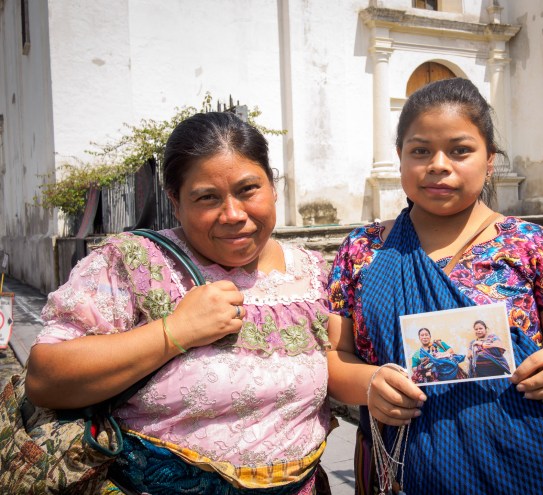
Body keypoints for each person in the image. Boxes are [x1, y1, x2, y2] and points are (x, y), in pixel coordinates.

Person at [326, 78, 543, 494]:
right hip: (401, 468)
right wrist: (370, 384)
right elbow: (336, 357)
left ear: (490, 160)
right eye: (420, 151)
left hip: (523, 464)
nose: (438, 165)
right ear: (400, 157)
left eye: (460, 150)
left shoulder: (533, 247)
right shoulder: (362, 250)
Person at [25, 111, 332, 494]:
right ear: (176, 201)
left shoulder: (312, 272)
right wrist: (175, 332)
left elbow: (338, 362)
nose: (233, 214)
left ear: (272, 186)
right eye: (207, 197)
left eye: (248, 189)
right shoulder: (135, 263)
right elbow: (45, 379)